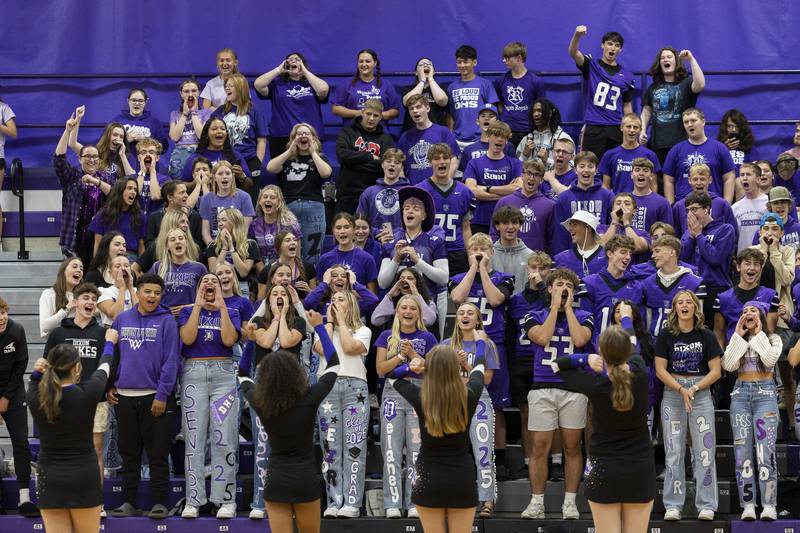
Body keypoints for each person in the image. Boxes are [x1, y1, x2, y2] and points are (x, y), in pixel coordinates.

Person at [551, 304, 655, 533]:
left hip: (602, 469)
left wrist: (585, 359)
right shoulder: (639, 371)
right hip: (639, 468)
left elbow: (557, 366)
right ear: (627, 352)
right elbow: (633, 341)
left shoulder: (595, 385)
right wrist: (626, 319)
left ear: (601, 351)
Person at [237, 309, 335, 533]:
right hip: (304, 481)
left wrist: (251, 342)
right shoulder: (309, 399)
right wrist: (319, 327)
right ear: (296, 373)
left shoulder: (262, 403)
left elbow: (243, 373)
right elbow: (335, 365)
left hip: (276, 481)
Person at [387, 333, 488, 531]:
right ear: (455, 368)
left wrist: (410, 367)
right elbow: (479, 368)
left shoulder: (420, 397)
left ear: (429, 368)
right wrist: (481, 342)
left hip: (428, 479)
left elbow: (391, 377)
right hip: (461, 479)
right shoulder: (470, 395)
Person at [107, 273, 180, 519]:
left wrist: (162, 394)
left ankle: (160, 501)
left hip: (154, 397)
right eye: (147, 291)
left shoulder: (167, 321)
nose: (152, 296)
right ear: (136, 292)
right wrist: (109, 386)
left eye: (157, 293)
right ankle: (129, 501)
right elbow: (112, 355)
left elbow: (172, 361)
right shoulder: (121, 319)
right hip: (124, 396)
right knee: (129, 453)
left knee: (158, 452)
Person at [522, 267, 594, 520]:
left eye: (569, 286)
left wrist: (569, 308)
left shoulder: (585, 315)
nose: (564, 289)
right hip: (542, 386)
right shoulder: (534, 314)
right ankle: (537, 501)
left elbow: (580, 339)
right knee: (539, 447)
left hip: (574, 388)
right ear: (549, 288)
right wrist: (554, 308)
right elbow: (542, 337)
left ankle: (570, 502)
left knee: (573, 446)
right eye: (559, 284)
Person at [27, 341, 113, 532]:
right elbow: (104, 367)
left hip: (50, 479)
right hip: (84, 477)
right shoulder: (88, 394)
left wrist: (37, 372)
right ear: (76, 368)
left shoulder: (36, 398)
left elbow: (33, 382)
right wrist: (109, 343)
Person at [449, 233, 515, 478]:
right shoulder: (459, 278)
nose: (478, 252)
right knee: (463, 401)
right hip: (463, 344)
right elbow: (457, 298)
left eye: (483, 248)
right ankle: (465, 454)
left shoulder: (504, 278)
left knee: (495, 404)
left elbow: (496, 299)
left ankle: (499, 459)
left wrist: (484, 270)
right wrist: (473, 269)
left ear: (492, 252)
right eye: (474, 249)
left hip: (493, 344)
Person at [178, 273, 241, 519]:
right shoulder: (187, 311)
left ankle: (225, 499)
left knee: (224, 438)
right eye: (205, 281)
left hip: (223, 374)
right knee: (194, 440)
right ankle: (194, 500)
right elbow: (187, 338)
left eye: (214, 281)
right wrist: (197, 304)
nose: (210, 284)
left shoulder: (232, 311)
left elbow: (228, 340)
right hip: (194, 372)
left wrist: (222, 307)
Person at [655, 290, 722, 521]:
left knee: (705, 452)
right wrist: (681, 389)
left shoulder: (706, 335)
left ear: (695, 307)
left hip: (700, 393)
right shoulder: (666, 335)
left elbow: (716, 371)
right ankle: (673, 504)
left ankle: (707, 504)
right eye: (679, 302)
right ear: (675, 309)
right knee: (673, 452)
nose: (684, 305)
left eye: (688, 302)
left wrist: (693, 389)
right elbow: (660, 369)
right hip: (673, 392)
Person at [242, 282, 307, 519]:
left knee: (289, 446)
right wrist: (277, 317)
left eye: (283, 294)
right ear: (267, 300)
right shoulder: (259, 322)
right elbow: (267, 343)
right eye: (274, 294)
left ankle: (289, 503)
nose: (279, 297)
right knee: (262, 448)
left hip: (291, 387)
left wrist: (283, 315)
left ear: (290, 300)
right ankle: (259, 503)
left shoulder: (298, 322)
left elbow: (288, 342)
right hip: (264, 386)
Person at [375, 295, 439, 518]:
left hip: (420, 392)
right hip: (393, 392)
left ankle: (414, 502)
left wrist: (414, 354)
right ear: (397, 312)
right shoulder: (386, 336)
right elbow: (380, 369)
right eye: (404, 307)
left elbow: (434, 368)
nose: (408, 311)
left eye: (413, 308)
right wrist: (402, 356)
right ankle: (392, 502)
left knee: (417, 451)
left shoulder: (428, 337)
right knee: (391, 450)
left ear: (419, 313)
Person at [42, 284, 107, 495]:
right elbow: (47, 365)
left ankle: (96, 499)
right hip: (63, 398)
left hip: (95, 399)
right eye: (85, 298)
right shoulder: (58, 333)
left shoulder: (102, 332)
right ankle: (66, 494)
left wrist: (111, 386)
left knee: (96, 449)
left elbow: (109, 363)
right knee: (66, 449)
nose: (89, 302)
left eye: (93, 299)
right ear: (75, 302)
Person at [315, 291, 372, 518]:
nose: (334, 303)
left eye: (340, 300)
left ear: (351, 305)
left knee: (354, 447)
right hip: (328, 387)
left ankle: (352, 503)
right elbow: (322, 350)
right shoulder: (324, 329)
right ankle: (333, 501)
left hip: (355, 389)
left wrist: (340, 322)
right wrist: (329, 322)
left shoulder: (363, 330)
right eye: (332, 300)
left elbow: (349, 348)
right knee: (330, 450)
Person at [722, 302, 782, 521]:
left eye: (752, 311)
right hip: (740, 396)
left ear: (762, 316)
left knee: (765, 452)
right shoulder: (737, 340)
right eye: (744, 311)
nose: (748, 313)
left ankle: (769, 504)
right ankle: (747, 504)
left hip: (765, 395)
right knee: (742, 455)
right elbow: (728, 365)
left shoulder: (774, 339)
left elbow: (769, 360)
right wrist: (738, 336)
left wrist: (758, 333)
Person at [443, 303, 500, 517]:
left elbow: (486, 379)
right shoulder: (446, 345)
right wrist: (467, 374)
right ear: (456, 319)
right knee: (452, 454)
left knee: (483, 452)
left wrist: (465, 367)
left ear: (477, 320)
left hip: (479, 401)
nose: (465, 316)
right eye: (461, 313)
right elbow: (441, 377)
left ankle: (487, 501)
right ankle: (455, 499)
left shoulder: (486, 345)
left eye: (470, 313)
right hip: (452, 401)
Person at [378, 187, 449, 330]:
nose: (410, 211)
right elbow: (382, 282)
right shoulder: (391, 244)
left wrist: (418, 261)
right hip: (398, 310)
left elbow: (443, 278)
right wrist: (396, 259)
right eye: (406, 208)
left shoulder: (434, 242)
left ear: (424, 215)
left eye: (416, 209)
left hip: (426, 309)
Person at [507, 252, 552, 474]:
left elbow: (551, 307)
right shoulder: (516, 300)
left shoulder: (550, 297)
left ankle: (555, 461)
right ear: (527, 269)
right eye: (534, 268)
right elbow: (510, 333)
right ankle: (527, 462)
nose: (537, 272)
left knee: (550, 414)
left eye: (543, 268)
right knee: (525, 413)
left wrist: (543, 285)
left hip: (544, 361)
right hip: (520, 361)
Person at [54, 113, 116, 264]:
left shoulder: (106, 178)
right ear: (79, 158)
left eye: (95, 156)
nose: (92, 159)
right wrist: (67, 130)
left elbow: (115, 194)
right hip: (73, 238)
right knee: (75, 280)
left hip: (98, 238)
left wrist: (96, 181)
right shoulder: (72, 176)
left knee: (96, 279)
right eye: (87, 156)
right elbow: (59, 159)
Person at [266, 123, 333, 264]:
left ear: (314, 139)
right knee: (287, 249)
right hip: (289, 207)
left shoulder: (321, 158)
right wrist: (289, 152)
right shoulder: (286, 159)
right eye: (299, 134)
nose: (303, 136)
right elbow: (270, 168)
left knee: (312, 253)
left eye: (307, 134)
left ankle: (309, 283)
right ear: (293, 139)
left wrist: (313, 152)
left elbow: (326, 173)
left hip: (313, 206)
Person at [568, 26, 635, 161]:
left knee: (616, 166)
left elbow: (627, 106)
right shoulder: (592, 65)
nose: (613, 48)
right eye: (610, 44)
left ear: (620, 49)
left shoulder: (627, 75)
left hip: (616, 127)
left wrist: (630, 127)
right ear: (602, 45)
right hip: (594, 126)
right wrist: (577, 35)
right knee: (589, 165)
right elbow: (573, 52)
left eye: (617, 45)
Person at [0, 296, 39, 517]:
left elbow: (21, 365)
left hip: (13, 392)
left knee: (21, 443)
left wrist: (5, 398)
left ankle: (24, 498)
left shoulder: (16, 330)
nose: (1, 317)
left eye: (3, 312)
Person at [254, 52, 329, 158]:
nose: (293, 61)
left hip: (309, 136)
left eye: (297, 59)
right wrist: (279, 70)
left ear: (303, 63)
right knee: (281, 171)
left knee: (311, 171)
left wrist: (305, 72)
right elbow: (258, 84)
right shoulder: (277, 84)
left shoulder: (311, 82)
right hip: (281, 136)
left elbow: (323, 89)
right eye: (290, 59)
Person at [417, 143, 476, 275]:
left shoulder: (464, 191)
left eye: (445, 158)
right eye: (437, 158)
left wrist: (470, 255)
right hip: (429, 250)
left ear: (451, 161)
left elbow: (466, 227)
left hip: (457, 251)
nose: (441, 161)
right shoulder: (420, 190)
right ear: (430, 162)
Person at [640, 48, 706, 165]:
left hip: (682, 143)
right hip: (657, 144)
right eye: (663, 58)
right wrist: (643, 130)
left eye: (669, 57)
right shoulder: (653, 87)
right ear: (659, 63)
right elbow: (646, 111)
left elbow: (700, 84)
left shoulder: (686, 83)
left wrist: (690, 59)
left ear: (676, 61)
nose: (666, 59)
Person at [679, 191, 736, 327]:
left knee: (713, 333)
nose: (691, 214)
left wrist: (698, 235)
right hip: (692, 289)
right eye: (688, 210)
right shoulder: (689, 233)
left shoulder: (725, 229)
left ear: (706, 209)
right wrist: (692, 236)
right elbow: (682, 259)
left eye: (694, 209)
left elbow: (715, 258)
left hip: (716, 289)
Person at [334, 99, 395, 216]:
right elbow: (343, 156)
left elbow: (385, 165)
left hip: (374, 195)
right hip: (347, 195)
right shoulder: (347, 132)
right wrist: (371, 156)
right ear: (362, 112)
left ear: (381, 117)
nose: (371, 118)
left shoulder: (386, 139)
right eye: (368, 114)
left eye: (376, 115)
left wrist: (354, 161)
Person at [663, 108, 737, 204]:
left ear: (703, 122)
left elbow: (729, 177)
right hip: (684, 204)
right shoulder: (676, 150)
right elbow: (668, 180)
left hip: (713, 203)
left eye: (693, 120)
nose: (689, 124)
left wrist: (726, 203)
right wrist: (670, 204)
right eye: (686, 122)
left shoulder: (720, 148)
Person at [463, 121, 523, 235]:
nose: (499, 139)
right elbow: (472, 192)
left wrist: (487, 188)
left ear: (506, 141)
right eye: (496, 135)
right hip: (479, 220)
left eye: (503, 137)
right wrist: (506, 193)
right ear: (488, 137)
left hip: (506, 222)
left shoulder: (515, 164)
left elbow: (519, 188)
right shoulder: (474, 163)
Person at [579, 235, 644, 339]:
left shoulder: (636, 288)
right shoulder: (590, 283)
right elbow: (584, 323)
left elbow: (637, 326)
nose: (628, 257)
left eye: (630, 253)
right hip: (596, 349)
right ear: (609, 253)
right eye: (623, 252)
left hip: (625, 349)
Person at [714, 248, 779, 347]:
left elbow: (770, 334)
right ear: (738, 267)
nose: (752, 268)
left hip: (760, 354)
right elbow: (719, 336)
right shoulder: (722, 299)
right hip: (733, 355)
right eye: (747, 263)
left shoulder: (771, 296)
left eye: (756, 264)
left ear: (761, 269)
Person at [642, 235, 705, 337]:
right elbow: (647, 320)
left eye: (657, 251)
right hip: (654, 346)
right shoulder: (647, 284)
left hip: (684, 345)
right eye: (653, 252)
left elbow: (700, 320)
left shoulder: (695, 283)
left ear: (672, 252)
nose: (652, 256)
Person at [553, 151, 615, 254]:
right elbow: (559, 233)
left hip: (601, 254)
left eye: (590, 166)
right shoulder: (564, 198)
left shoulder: (607, 196)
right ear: (575, 170)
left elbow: (612, 227)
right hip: (572, 254)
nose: (586, 170)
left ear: (596, 170)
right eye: (582, 166)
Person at [490, 159, 556, 254]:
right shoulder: (504, 202)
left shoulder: (549, 206)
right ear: (522, 176)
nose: (531, 178)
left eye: (536, 175)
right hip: (506, 258)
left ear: (541, 179)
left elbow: (552, 239)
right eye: (528, 173)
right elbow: (494, 233)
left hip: (536, 263)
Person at [211, 73, 268, 177]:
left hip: (249, 160)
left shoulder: (254, 111)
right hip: (225, 161)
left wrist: (257, 162)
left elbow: (261, 140)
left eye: (231, 86)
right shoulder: (219, 112)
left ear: (241, 88)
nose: (227, 88)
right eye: (226, 86)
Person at [395, 94, 459, 185]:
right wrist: (405, 185)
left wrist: (444, 182)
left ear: (428, 108)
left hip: (438, 187)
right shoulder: (405, 136)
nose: (415, 111)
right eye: (411, 109)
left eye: (418, 107)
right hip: (414, 189)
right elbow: (399, 164)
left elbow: (453, 160)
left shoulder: (443, 132)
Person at [495, 41, 546, 148]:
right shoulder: (500, 81)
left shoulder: (536, 81)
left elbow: (542, 108)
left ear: (519, 58)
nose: (504, 61)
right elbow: (498, 103)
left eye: (508, 57)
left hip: (529, 132)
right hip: (507, 132)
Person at [448, 44, 500, 146]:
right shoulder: (451, 87)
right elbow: (450, 114)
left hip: (480, 139)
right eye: (459, 62)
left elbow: (493, 112)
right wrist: (451, 134)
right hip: (457, 140)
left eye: (466, 61)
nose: (462, 65)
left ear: (474, 62)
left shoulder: (485, 84)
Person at [331, 49, 400, 124]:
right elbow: (335, 109)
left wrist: (376, 115)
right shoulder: (346, 83)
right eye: (361, 61)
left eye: (367, 61)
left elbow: (395, 111)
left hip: (379, 132)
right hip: (353, 132)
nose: (364, 64)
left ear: (375, 63)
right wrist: (358, 113)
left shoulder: (386, 84)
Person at [206, 207, 262, 296]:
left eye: (224, 220)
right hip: (219, 287)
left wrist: (231, 247)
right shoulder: (212, 246)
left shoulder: (250, 244)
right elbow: (213, 272)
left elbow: (243, 272)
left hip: (242, 286)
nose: (220, 224)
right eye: (218, 220)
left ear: (235, 222)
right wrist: (224, 248)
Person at [150, 227, 207, 314]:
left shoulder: (199, 268)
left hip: (190, 317)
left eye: (181, 238)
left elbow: (208, 297)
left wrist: (190, 307)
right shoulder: (158, 266)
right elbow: (149, 293)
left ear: (186, 242)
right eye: (172, 240)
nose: (177, 241)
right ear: (167, 246)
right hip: (163, 317)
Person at [672, 163, 737, 237]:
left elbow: (733, 234)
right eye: (695, 179)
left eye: (702, 179)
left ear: (710, 180)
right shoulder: (679, 206)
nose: (699, 183)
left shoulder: (722, 204)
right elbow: (675, 236)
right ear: (689, 180)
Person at [198, 160, 256, 245]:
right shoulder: (206, 199)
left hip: (239, 244)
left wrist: (233, 248)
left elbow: (245, 230)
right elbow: (205, 233)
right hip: (215, 245)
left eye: (228, 173)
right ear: (214, 177)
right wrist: (214, 249)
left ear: (232, 176)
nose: (224, 177)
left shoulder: (244, 197)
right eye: (220, 174)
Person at [600, 113, 661, 193]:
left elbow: (653, 185)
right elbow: (605, 186)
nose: (632, 130)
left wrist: (652, 204)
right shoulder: (610, 155)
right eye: (628, 126)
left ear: (640, 130)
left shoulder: (649, 155)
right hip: (619, 203)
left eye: (635, 127)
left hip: (642, 203)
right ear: (621, 128)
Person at [356, 148, 410, 237]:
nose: (392, 164)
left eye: (397, 163)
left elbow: (414, 221)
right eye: (388, 161)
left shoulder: (409, 192)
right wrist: (377, 233)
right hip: (374, 243)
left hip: (401, 241)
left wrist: (396, 234)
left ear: (402, 167)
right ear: (382, 164)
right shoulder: (369, 192)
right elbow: (359, 220)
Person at [318, 213, 379, 292]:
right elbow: (321, 293)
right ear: (333, 231)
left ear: (354, 230)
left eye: (346, 227)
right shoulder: (324, 259)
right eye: (338, 228)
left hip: (358, 303)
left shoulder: (367, 259)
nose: (342, 231)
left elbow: (373, 294)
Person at [181, 118, 251, 186]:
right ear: (207, 134)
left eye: (223, 129)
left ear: (226, 134)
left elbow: (250, 184)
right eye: (214, 129)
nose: (219, 131)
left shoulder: (235, 156)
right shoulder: (195, 157)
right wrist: (196, 183)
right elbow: (183, 184)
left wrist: (242, 177)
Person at [69, 108, 134, 181]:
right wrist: (78, 118)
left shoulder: (127, 156)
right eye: (115, 135)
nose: (118, 138)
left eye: (121, 137)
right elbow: (73, 144)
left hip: (117, 192)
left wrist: (122, 156)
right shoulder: (95, 153)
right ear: (107, 136)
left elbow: (132, 179)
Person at [88, 177, 145, 258]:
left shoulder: (140, 215)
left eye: (135, 190)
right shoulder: (103, 214)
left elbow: (141, 246)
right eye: (129, 188)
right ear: (120, 191)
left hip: (131, 258)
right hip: (107, 257)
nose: (133, 192)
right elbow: (98, 244)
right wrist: (96, 268)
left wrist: (140, 269)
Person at [168, 79, 213, 179]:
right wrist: (184, 114)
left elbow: (202, 136)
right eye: (186, 91)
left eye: (194, 90)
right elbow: (174, 137)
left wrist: (193, 113)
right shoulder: (175, 114)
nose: (190, 94)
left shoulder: (207, 113)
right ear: (181, 94)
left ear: (199, 92)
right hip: (179, 155)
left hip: (199, 153)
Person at [457, 104, 516, 177]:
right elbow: (464, 176)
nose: (487, 118)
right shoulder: (468, 150)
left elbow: (514, 174)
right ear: (477, 121)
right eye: (483, 116)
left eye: (491, 116)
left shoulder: (507, 146)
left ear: (497, 121)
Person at [256, 231, 317, 301]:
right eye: (288, 240)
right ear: (279, 246)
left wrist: (309, 291)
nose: (293, 242)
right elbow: (260, 302)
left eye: (294, 240)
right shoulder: (267, 271)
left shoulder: (309, 268)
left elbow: (315, 302)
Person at [248, 185, 301, 264]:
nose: (268, 200)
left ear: (279, 203)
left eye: (272, 198)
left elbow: (296, 255)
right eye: (265, 197)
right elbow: (253, 253)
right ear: (259, 201)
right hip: (262, 269)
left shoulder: (290, 225)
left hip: (285, 268)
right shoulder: (254, 225)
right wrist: (263, 272)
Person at [516, 98, 572, 170]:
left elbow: (571, 167)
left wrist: (547, 160)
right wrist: (524, 155)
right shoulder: (527, 139)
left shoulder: (563, 138)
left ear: (550, 113)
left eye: (539, 111)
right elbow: (517, 168)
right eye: (533, 111)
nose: (535, 114)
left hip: (554, 180)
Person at [371, 267, 437, 328]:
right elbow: (375, 321)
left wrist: (416, 295)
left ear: (418, 283)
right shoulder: (392, 302)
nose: (405, 281)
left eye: (410, 278)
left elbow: (429, 321)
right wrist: (390, 295)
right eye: (401, 278)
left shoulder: (428, 302)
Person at [110, 88, 168, 157]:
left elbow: (164, 148)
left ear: (146, 102)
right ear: (128, 101)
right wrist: (126, 140)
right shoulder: (117, 121)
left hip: (147, 166)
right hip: (121, 165)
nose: (137, 103)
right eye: (133, 100)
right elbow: (106, 146)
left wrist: (146, 140)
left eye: (140, 101)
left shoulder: (154, 122)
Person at [144, 180, 203, 248]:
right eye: (182, 193)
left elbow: (199, 245)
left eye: (186, 192)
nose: (186, 195)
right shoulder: (155, 217)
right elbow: (149, 244)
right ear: (170, 197)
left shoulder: (194, 216)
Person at [490, 206, 534, 294]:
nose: (510, 227)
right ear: (497, 226)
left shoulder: (531, 256)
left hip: (522, 306)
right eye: (505, 223)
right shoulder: (489, 255)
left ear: (520, 225)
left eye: (514, 223)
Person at [596, 193, 651, 261]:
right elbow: (601, 247)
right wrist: (614, 222)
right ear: (612, 209)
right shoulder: (601, 228)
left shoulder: (643, 234)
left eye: (627, 204)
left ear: (634, 211)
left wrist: (626, 222)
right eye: (618, 203)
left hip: (631, 271)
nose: (622, 207)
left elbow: (637, 247)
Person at [553, 210, 607, 279]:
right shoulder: (562, 258)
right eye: (570, 225)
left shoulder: (608, 256)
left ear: (589, 228)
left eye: (575, 225)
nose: (570, 229)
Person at [400, 58, 449, 131]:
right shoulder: (408, 89)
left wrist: (430, 78)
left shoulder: (441, 88)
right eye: (421, 64)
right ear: (416, 72)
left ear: (434, 71)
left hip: (437, 132)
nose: (426, 65)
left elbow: (441, 100)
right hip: (413, 132)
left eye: (429, 64)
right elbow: (407, 101)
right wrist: (422, 81)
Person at [39, 257, 83, 338]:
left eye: (81, 268)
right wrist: (67, 309)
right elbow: (44, 327)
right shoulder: (49, 294)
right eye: (74, 266)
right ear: (63, 271)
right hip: (57, 346)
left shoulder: (82, 297)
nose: (79, 270)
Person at [629, 157, 673, 232]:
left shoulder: (662, 203)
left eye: (645, 170)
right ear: (631, 175)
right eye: (637, 170)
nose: (641, 173)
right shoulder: (623, 200)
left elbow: (668, 234)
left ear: (651, 176)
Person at [733, 163, 769, 252]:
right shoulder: (735, 208)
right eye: (742, 175)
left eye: (748, 174)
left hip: (765, 257)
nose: (744, 178)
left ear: (758, 179)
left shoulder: (769, 203)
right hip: (743, 259)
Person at [134, 138, 169, 222]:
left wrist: (153, 171)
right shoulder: (131, 178)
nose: (147, 155)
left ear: (157, 158)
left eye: (151, 152)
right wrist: (142, 171)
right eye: (143, 152)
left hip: (157, 222)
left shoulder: (165, 179)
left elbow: (155, 196)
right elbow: (135, 195)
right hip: (136, 221)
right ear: (139, 158)